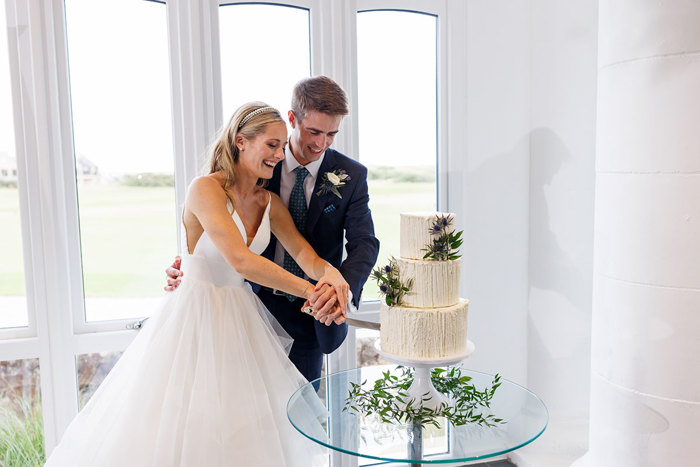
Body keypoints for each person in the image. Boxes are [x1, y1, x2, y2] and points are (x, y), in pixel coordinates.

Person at [45, 103, 336, 466]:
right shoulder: (205, 189)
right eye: (272, 145)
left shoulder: (269, 202)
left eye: (281, 147)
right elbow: (241, 260)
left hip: (241, 320)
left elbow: (306, 256)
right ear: (241, 142)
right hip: (193, 318)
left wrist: (331, 281)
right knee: (185, 426)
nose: (280, 155)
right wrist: (311, 292)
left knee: (243, 429)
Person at [166, 76, 380, 385]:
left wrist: (334, 284)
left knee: (293, 420)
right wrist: (189, 263)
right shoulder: (227, 179)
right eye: (314, 132)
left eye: (331, 134)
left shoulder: (276, 198)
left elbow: (354, 245)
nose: (321, 143)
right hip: (246, 309)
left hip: (307, 318)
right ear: (293, 120)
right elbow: (232, 253)